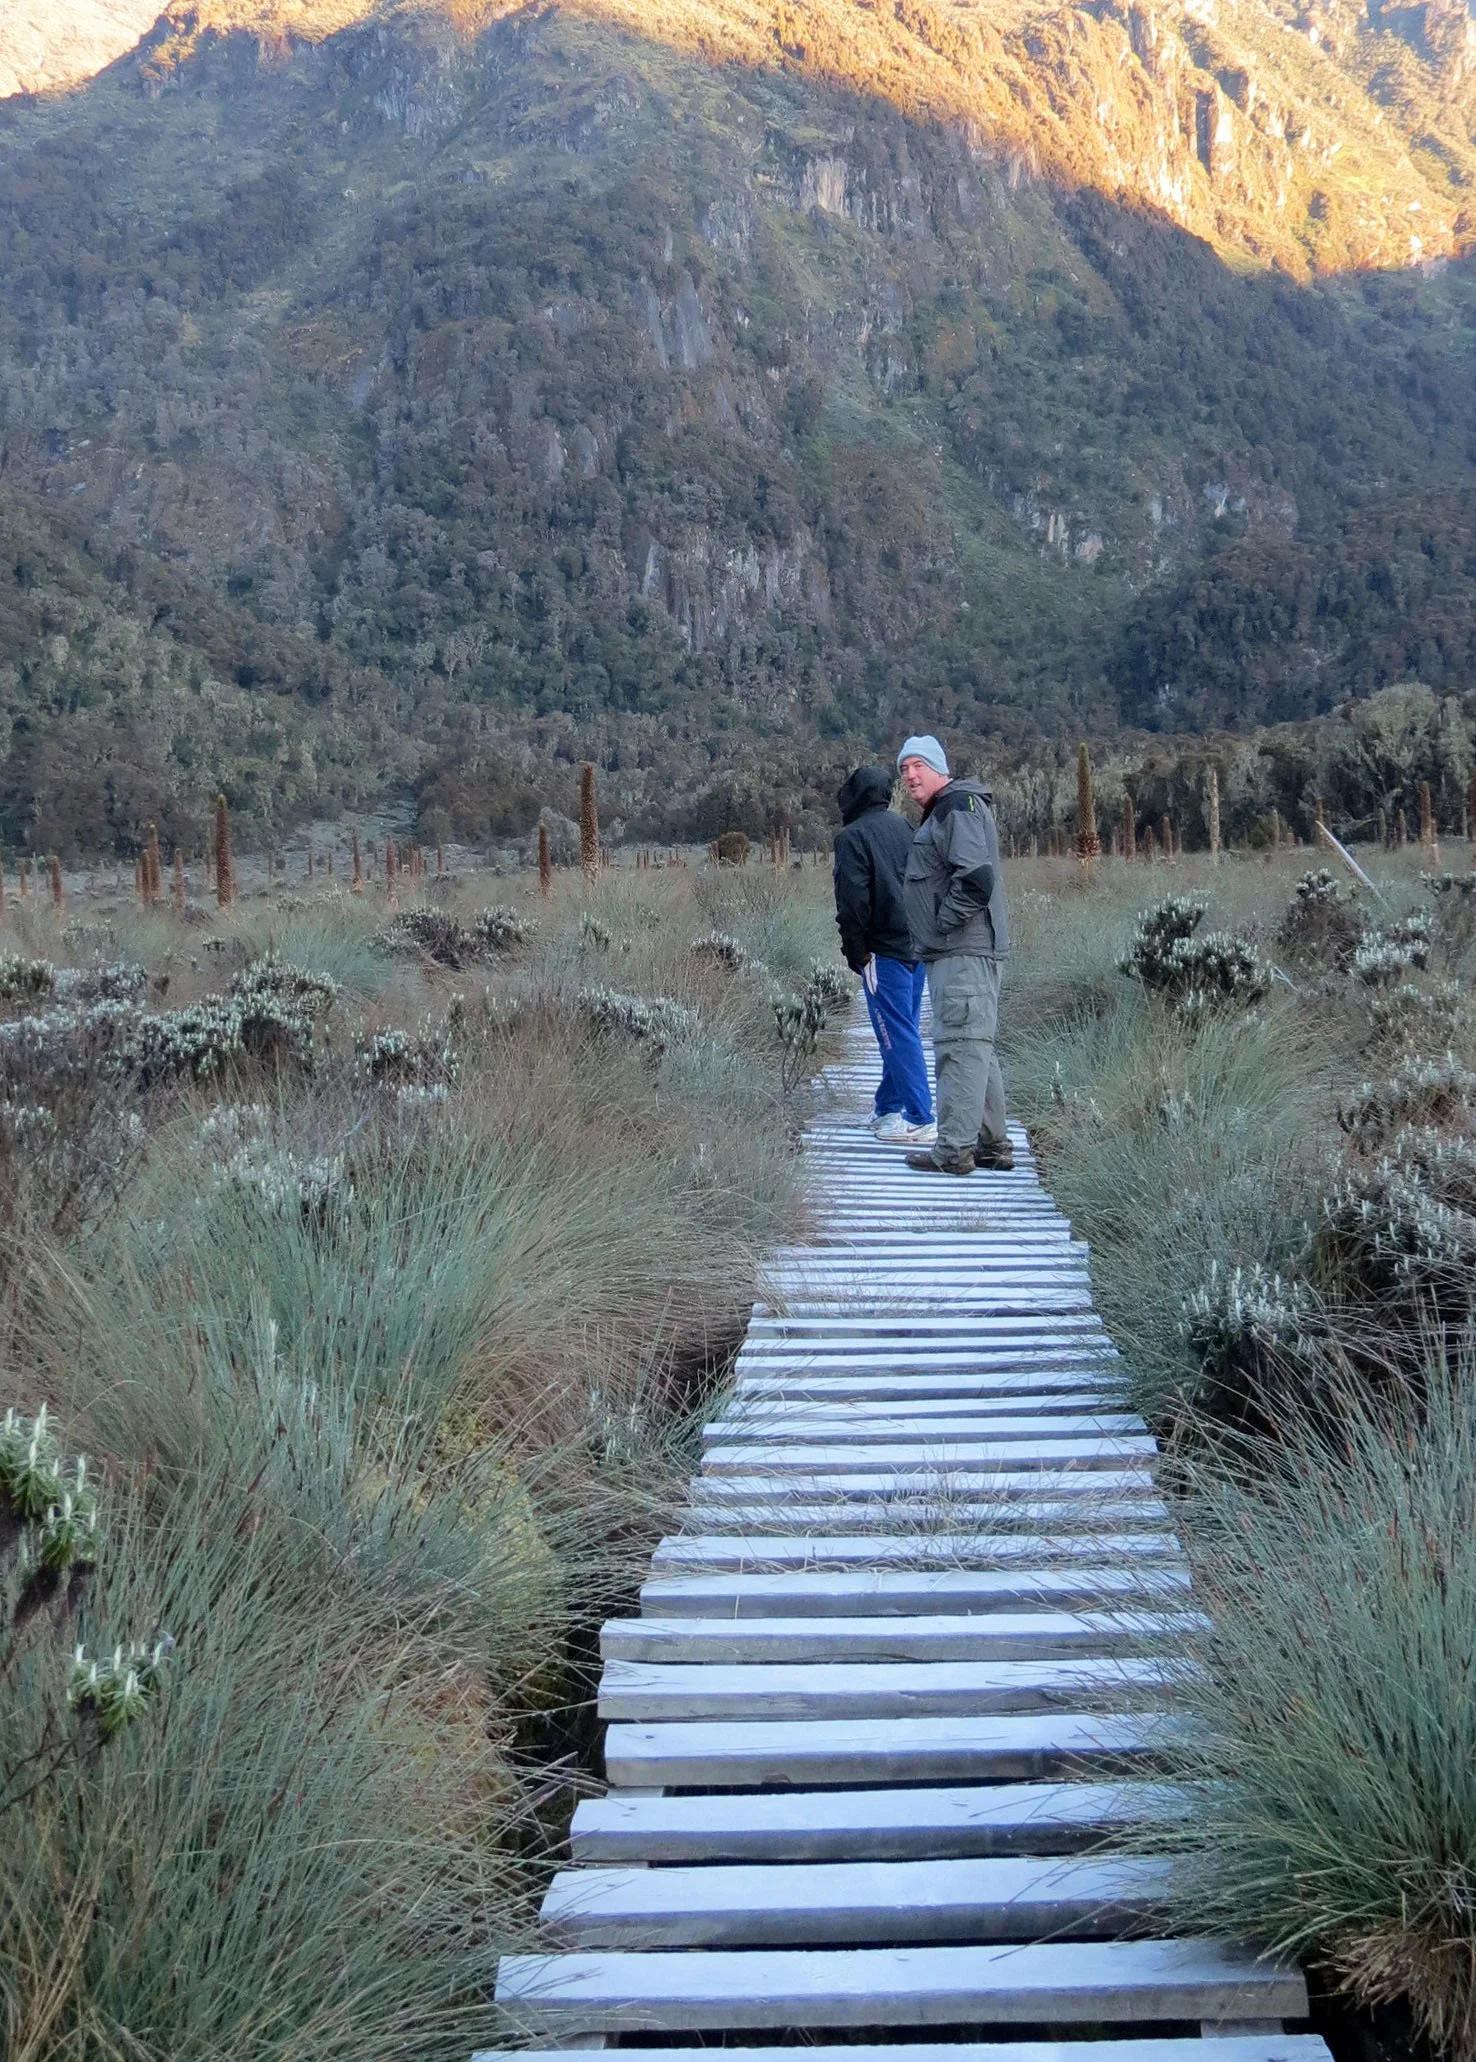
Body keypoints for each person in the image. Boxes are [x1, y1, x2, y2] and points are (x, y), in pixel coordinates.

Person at [896, 734, 1014, 1176]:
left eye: (917, 766)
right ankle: (991, 1144)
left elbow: (975, 879)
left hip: (961, 950)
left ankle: (953, 1152)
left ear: (938, 767)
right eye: (904, 769)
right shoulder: (951, 808)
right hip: (962, 950)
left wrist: (943, 922)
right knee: (977, 1045)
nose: (909, 776)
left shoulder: (955, 807)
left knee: (959, 1046)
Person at [832, 766, 936, 1145]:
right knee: (903, 1026)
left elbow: (852, 898)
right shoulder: (908, 829)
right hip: (917, 944)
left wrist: (855, 950)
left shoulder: (851, 837)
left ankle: (920, 1117)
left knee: (895, 1033)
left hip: (883, 950)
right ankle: (887, 1108)